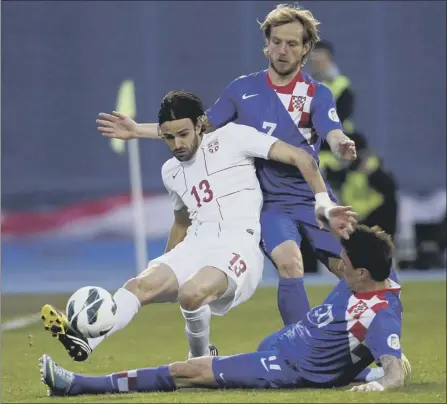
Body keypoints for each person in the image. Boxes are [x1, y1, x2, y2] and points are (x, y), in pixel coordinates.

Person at [41, 91, 356, 362]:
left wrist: (322, 202)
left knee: (191, 294)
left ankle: (199, 357)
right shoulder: (170, 172)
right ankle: (84, 340)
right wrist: (165, 265)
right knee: (138, 286)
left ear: (201, 126)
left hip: (239, 246)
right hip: (196, 244)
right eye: (168, 137)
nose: (176, 144)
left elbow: (302, 158)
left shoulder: (234, 137)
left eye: (183, 134)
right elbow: (181, 221)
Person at [96, 4, 358, 328]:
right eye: (276, 41)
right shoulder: (241, 90)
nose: (282, 50)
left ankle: (362, 339)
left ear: (306, 49)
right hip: (271, 204)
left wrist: (339, 142)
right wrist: (138, 130)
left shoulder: (318, 94)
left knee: (352, 270)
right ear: (266, 44)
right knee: (291, 263)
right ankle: (299, 346)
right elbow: (194, 128)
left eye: (292, 44)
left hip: (312, 195)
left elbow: (331, 130)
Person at [40, 225, 409, 396]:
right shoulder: (376, 269)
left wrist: (378, 384)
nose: (338, 264)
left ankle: (78, 385)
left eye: (344, 262)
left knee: (189, 372)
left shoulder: (378, 315)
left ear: (362, 274)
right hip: (283, 343)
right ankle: (360, 369)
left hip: (292, 368)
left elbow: (396, 378)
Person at [308, 40, 355, 134]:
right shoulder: (306, 84)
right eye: (313, 57)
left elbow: (344, 113)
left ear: (328, 58)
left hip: (340, 137)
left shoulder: (341, 84)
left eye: (320, 57)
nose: (316, 62)